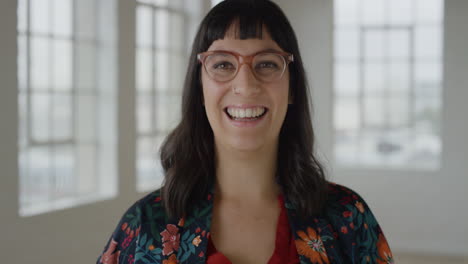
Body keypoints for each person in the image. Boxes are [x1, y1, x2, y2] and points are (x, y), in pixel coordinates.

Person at [97, 0, 393, 263]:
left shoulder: (347, 217)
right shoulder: (145, 224)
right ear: (200, 87)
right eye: (223, 64)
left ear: (292, 88)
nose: (246, 85)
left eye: (266, 64)